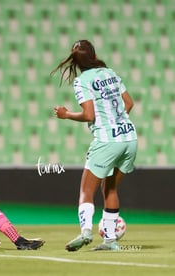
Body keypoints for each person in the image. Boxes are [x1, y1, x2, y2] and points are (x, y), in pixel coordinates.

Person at [50, 40, 137, 251]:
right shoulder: (111, 73)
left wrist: (66, 114)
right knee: (110, 188)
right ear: (94, 54)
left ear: (76, 62)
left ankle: (86, 232)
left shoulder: (82, 81)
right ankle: (109, 241)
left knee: (86, 191)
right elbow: (129, 103)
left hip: (107, 141)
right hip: (129, 138)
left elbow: (89, 115)